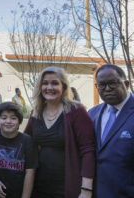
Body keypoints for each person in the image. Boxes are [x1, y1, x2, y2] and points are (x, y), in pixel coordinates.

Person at [25, 66, 95, 198]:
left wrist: (86, 189)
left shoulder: (76, 111)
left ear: (63, 86)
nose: (49, 87)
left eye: (55, 83)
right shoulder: (36, 113)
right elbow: (24, 142)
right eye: (45, 83)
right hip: (39, 186)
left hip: (68, 186)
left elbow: (88, 151)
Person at [89, 64, 134, 197]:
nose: (107, 89)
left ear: (126, 84)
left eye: (112, 83)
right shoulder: (92, 114)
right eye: (102, 85)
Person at [0, 102, 36, 198]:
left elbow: (30, 171)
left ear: (19, 122)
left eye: (13, 118)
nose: (8, 121)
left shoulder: (27, 141)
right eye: (4, 118)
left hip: (18, 193)